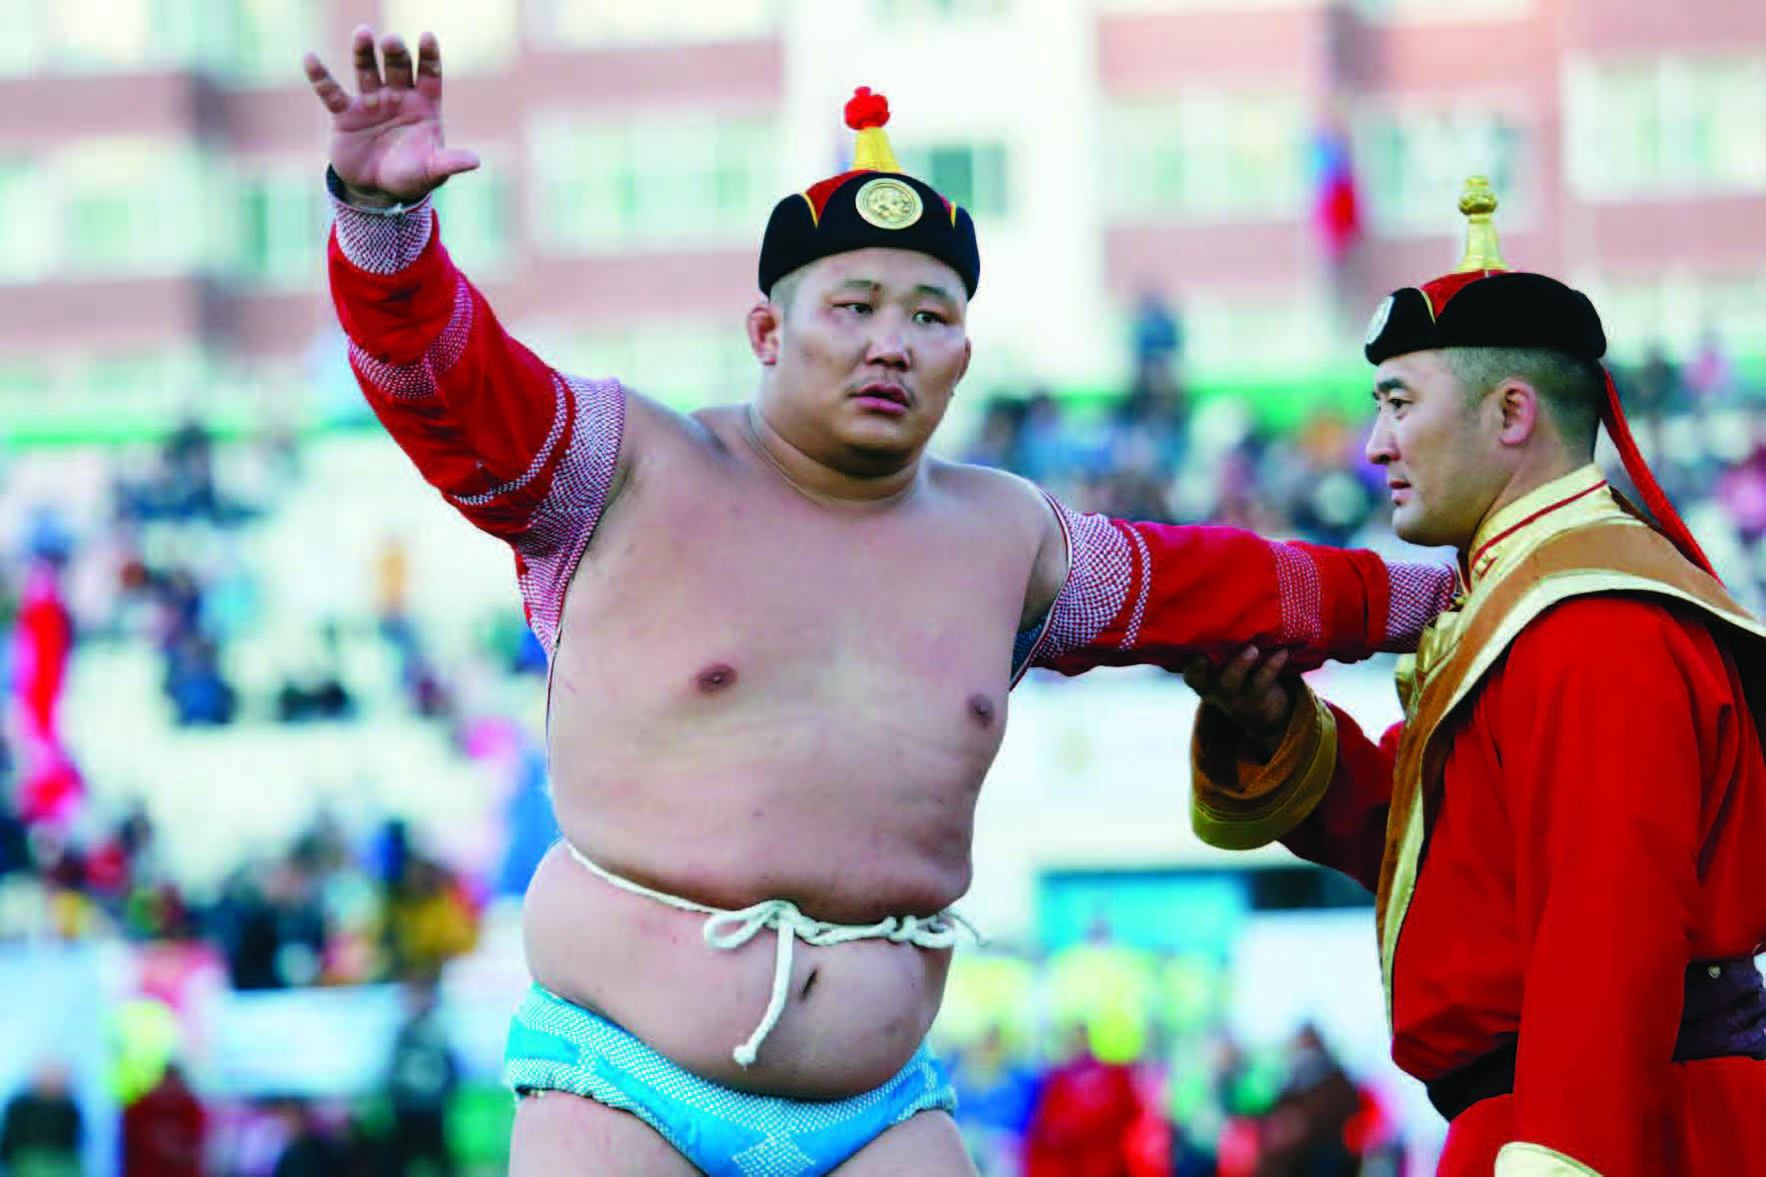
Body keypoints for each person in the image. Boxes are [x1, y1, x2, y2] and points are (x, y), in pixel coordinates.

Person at [301, 27, 1456, 1175]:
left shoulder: (1010, 539)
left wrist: (1465, 585)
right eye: (852, 307)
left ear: (964, 353)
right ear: (766, 330)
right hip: (620, 1079)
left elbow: (1240, 586)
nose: (890, 345)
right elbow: (438, 378)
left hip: (879, 1106)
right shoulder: (622, 467)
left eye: (928, 317)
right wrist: (384, 224)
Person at [1182, 179, 1766, 1176]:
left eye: (1398, 403)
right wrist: (1274, 724)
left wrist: (1560, 1152)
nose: (1374, 445)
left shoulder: (1595, 618)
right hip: (1556, 1117)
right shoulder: (1524, 597)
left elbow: (1609, 929)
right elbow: (1446, 866)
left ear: (1510, 412)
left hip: (1615, 1131)